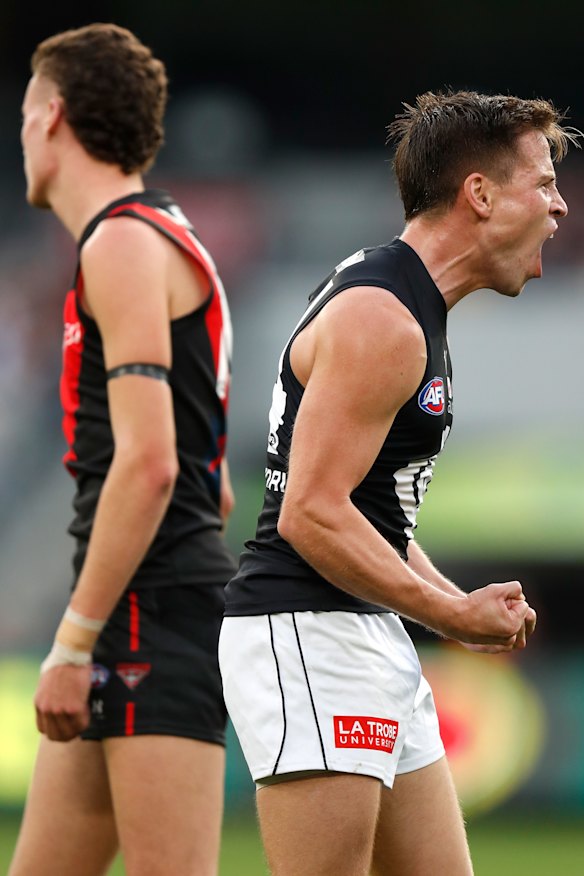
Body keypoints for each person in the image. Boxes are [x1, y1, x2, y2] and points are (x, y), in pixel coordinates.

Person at [219, 89, 579, 876]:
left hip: (361, 630)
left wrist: (455, 614)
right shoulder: (384, 316)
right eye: (544, 182)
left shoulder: (404, 300)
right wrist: (451, 610)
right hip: (309, 632)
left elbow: (369, 515)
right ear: (479, 195)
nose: (559, 206)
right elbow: (309, 515)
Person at [11, 23, 236, 876]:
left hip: (150, 618)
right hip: (137, 616)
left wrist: (72, 643)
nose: (23, 132)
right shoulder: (162, 234)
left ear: (55, 116)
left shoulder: (122, 244)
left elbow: (151, 466)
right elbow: (207, 486)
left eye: (28, 112)